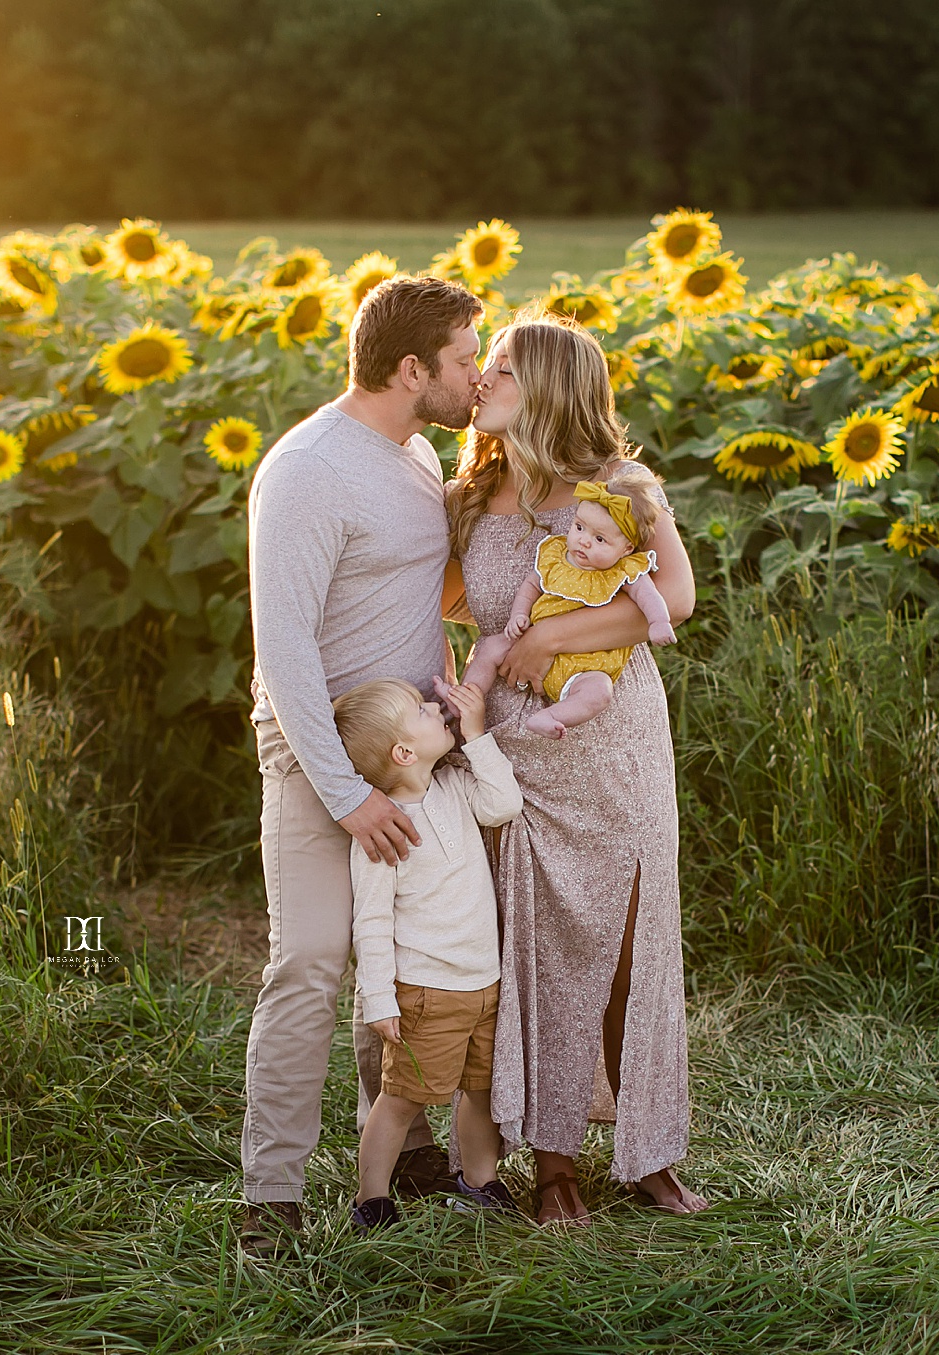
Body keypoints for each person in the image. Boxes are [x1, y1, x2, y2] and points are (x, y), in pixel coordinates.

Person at [444, 313, 710, 1224]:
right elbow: (425, 597)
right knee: (544, 954)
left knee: (633, 949)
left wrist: (552, 632)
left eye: (504, 369)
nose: (482, 379)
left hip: (611, 734)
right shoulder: (473, 497)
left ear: (553, 386)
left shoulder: (621, 484)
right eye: (483, 366)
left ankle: (647, 1148)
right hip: (516, 753)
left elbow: (672, 597)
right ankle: (553, 1162)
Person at [240, 276, 485, 1252]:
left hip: (413, 753)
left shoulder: (417, 451)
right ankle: (269, 1200)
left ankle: (406, 1144)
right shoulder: (306, 469)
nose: (475, 375)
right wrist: (343, 794)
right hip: (319, 756)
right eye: (465, 359)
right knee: (309, 958)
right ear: (411, 367)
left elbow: (428, 591)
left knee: (412, 950)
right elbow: (285, 645)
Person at [335, 677, 523, 1230]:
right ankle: (372, 1197)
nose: (435, 707)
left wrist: (477, 733)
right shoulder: (383, 831)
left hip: (484, 981)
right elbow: (370, 923)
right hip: (424, 991)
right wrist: (379, 999)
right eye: (421, 710)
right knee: (402, 1097)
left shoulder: (455, 786)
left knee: (481, 1089)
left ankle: (479, 1180)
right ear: (403, 752)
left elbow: (504, 804)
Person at [459, 466, 677, 738]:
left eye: (599, 539)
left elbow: (649, 597)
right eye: (579, 527)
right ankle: (466, 697)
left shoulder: (624, 571)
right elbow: (531, 585)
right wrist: (519, 615)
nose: (584, 542)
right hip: (526, 643)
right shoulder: (557, 556)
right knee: (491, 647)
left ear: (627, 549)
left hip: (587, 665)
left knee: (599, 691)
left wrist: (658, 621)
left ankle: (551, 716)